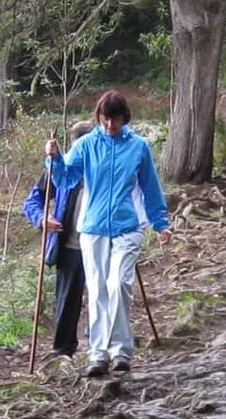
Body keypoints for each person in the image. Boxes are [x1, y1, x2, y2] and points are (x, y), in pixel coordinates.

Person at [45, 90, 172, 377]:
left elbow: (151, 188)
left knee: (118, 285)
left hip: (127, 226)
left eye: (114, 120)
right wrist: (54, 158)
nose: (109, 125)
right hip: (93, 227)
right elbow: (65, 178)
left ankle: (121, 351)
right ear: (99, 117)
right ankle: (98, 354)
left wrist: (160, 222)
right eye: (104, 119)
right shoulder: (87, 145)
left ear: (124, 118)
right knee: (98, 289)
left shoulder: (138, 147)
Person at [24, 121, 93, 358]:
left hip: (101, 241)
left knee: (101, 295)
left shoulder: (105, 169)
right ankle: (63, 351)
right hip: (70, 244)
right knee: (66, 299)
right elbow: (32, 201)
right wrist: (43, 219)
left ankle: (99, 347)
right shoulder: (59, 169)